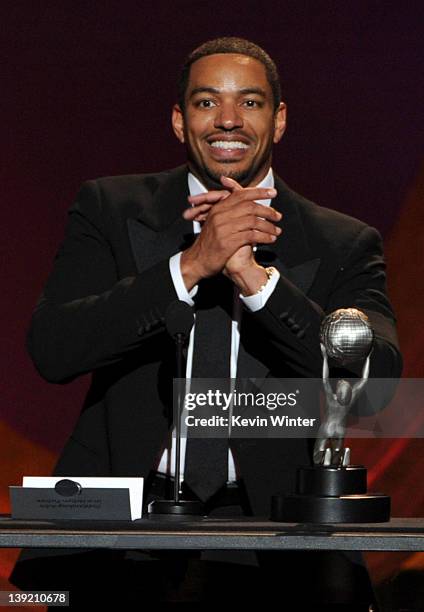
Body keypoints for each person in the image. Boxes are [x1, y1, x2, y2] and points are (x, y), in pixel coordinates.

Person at [11, 37, 401, 608]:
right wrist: (190, 265)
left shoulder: (343, 241)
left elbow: (379, 388)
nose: (227, 120)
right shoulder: (109, 208)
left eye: (249, 102)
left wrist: (255, 279)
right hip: (120, 535)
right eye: (205, 102)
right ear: (178, 120)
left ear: (280, 118)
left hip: (277, 537)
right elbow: (53, 349)